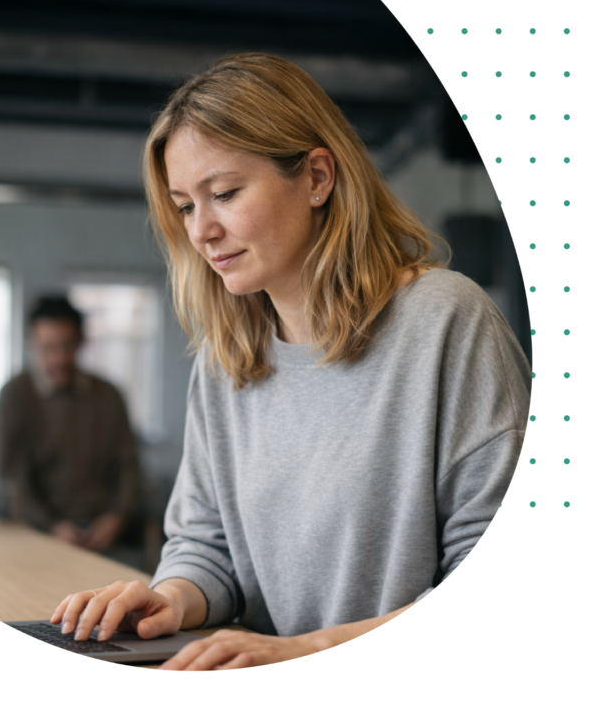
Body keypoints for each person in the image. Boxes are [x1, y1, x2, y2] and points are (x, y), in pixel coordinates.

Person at [48, 53, 531, 670]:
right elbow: (208, 545)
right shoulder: (225, 358)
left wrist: (304, 648)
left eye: (224, 194)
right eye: (186, 206)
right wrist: (169, 598)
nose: (201, 231)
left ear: (317, 178)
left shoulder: (447, 322)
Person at [0, 296, 142, 555]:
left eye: (67, 346)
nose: (59, 358)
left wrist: (116, 518)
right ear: (32, 343)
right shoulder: (15, 395)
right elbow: (12, 478)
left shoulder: (108, 395)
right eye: (48, 348)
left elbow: (128, 468)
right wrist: (53, 526)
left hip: (104, 532)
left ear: (82, 341)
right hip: (38, 533)